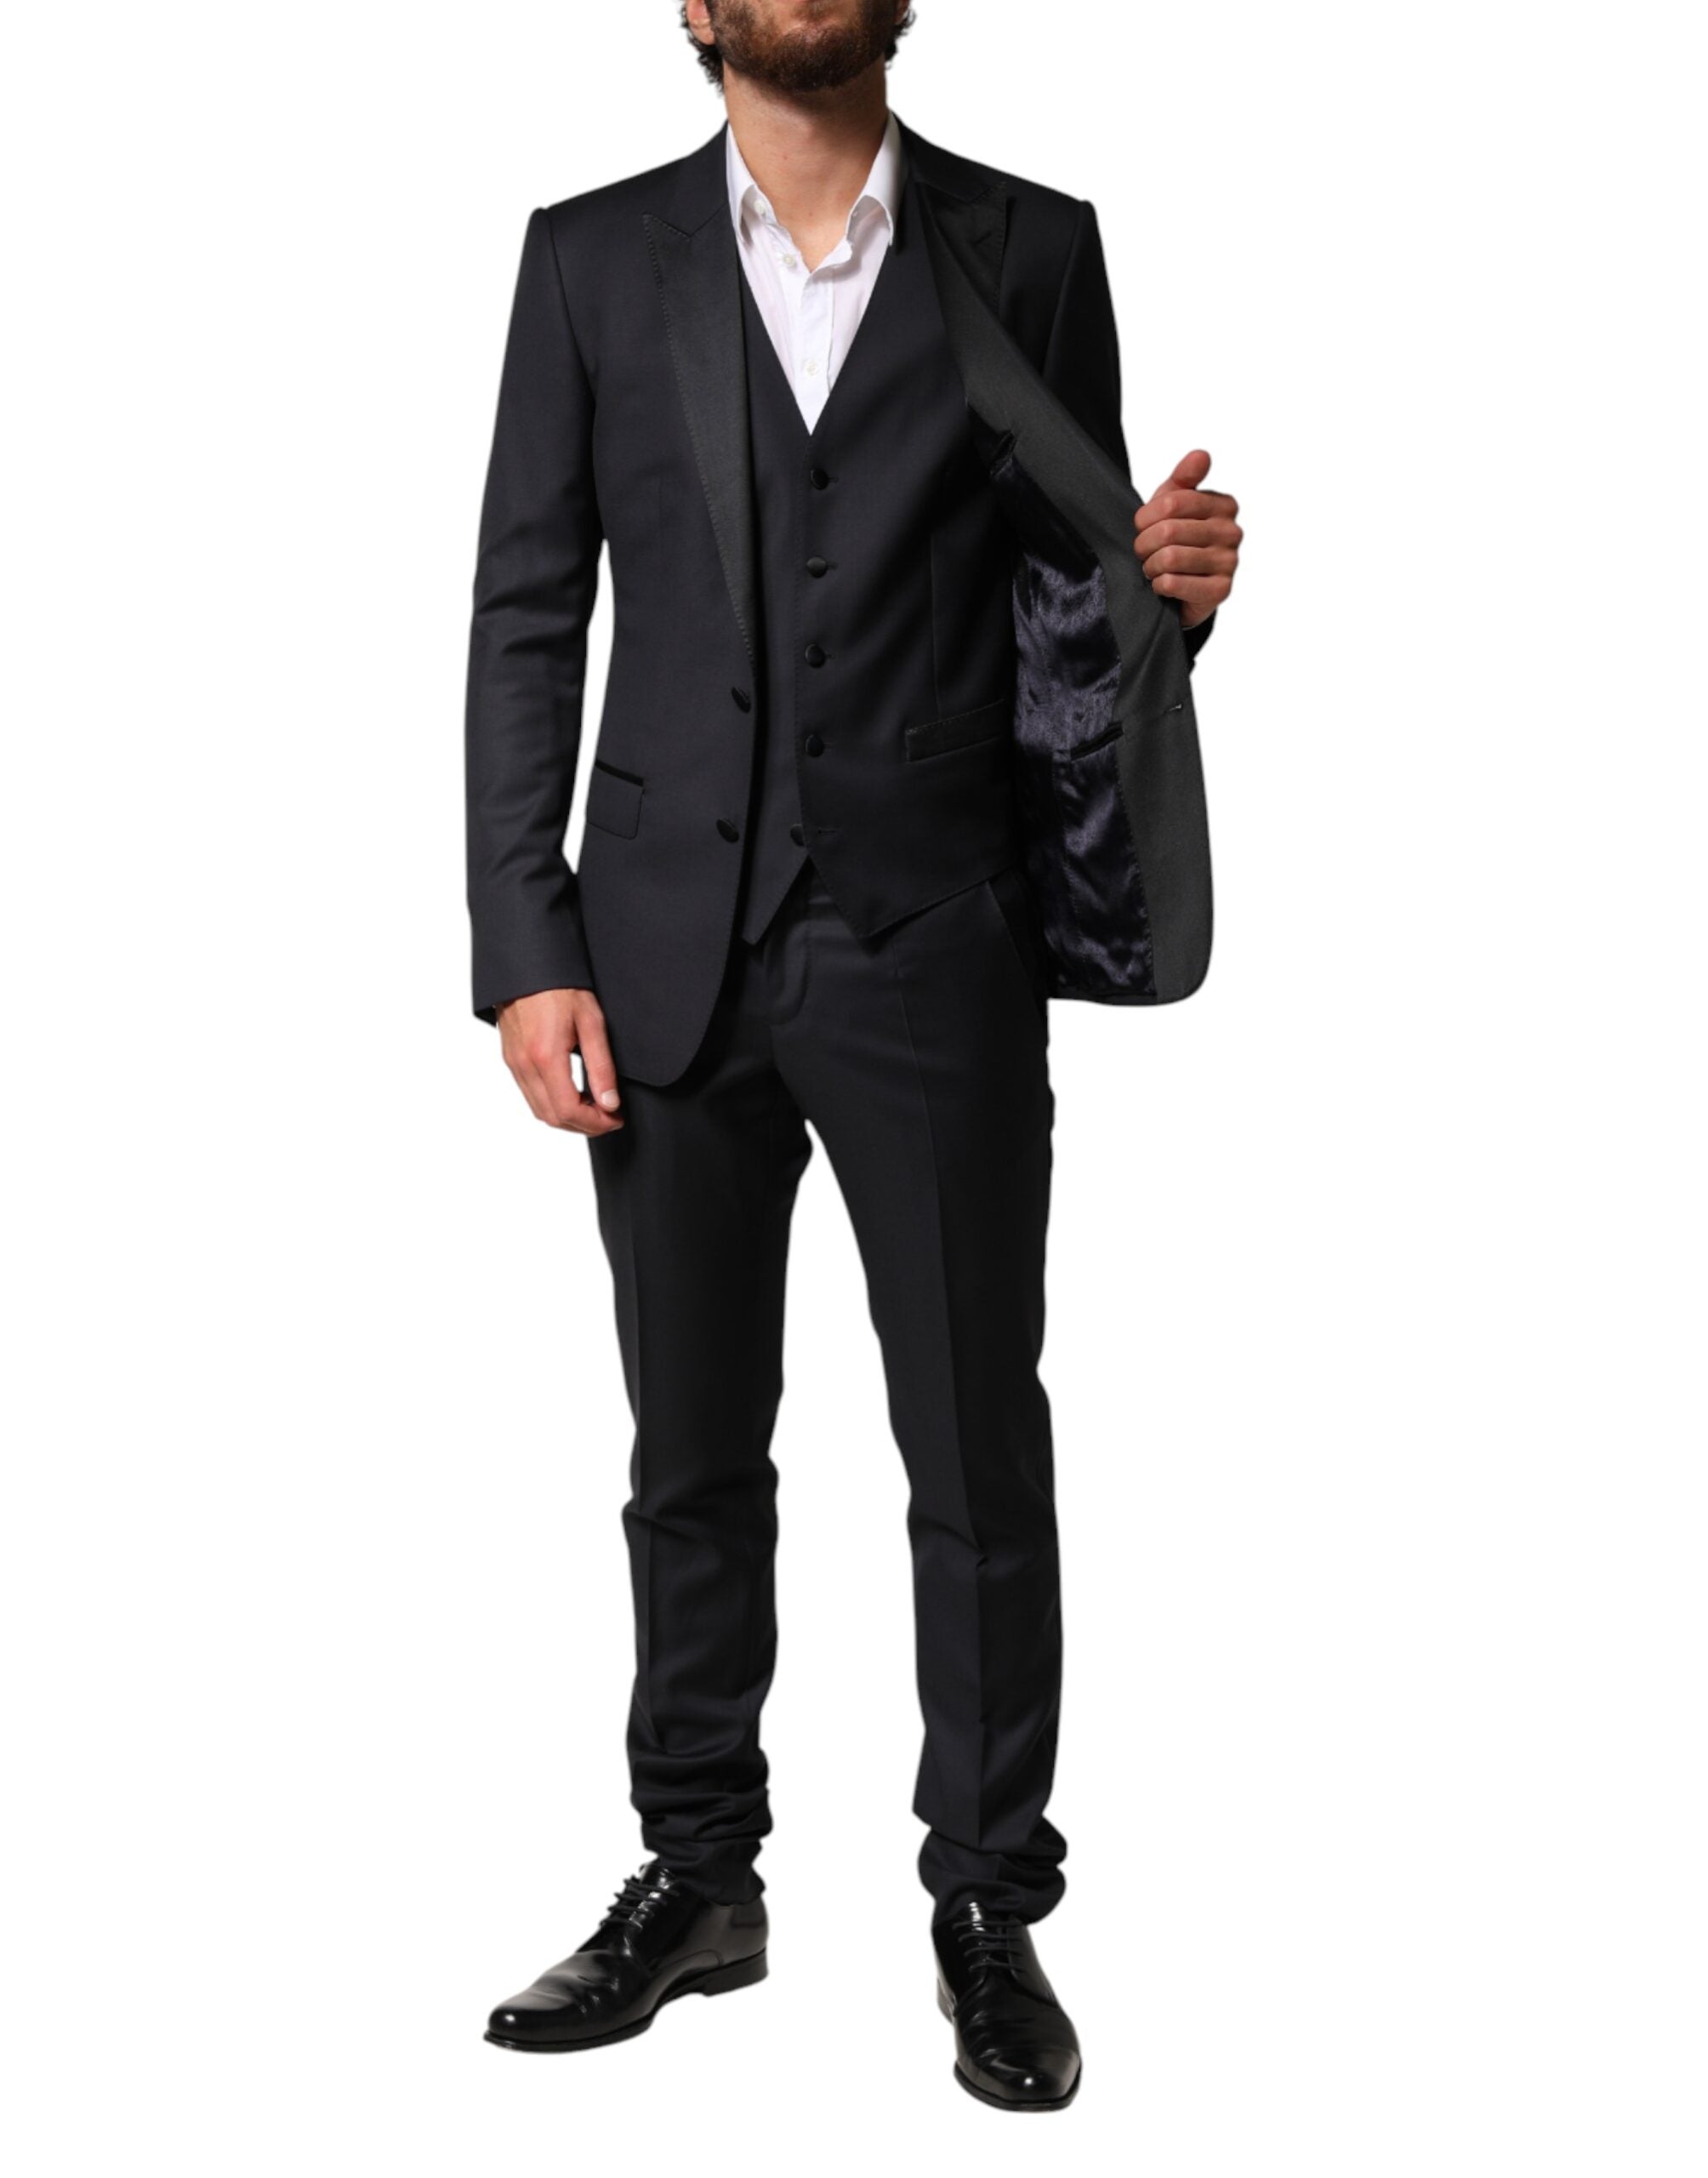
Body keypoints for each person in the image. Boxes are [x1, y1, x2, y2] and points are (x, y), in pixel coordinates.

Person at [467, 0, 1241, 2111]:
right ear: (690, 8)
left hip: (933, 940)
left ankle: (987, 1902)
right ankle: (696, 1873)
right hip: (659, 950)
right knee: (689, 1451)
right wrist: (525, 942)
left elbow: (1073, 594)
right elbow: (527, 608)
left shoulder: (1031, 245)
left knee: (975, 1449)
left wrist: (1170, 592)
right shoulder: (586, 258)